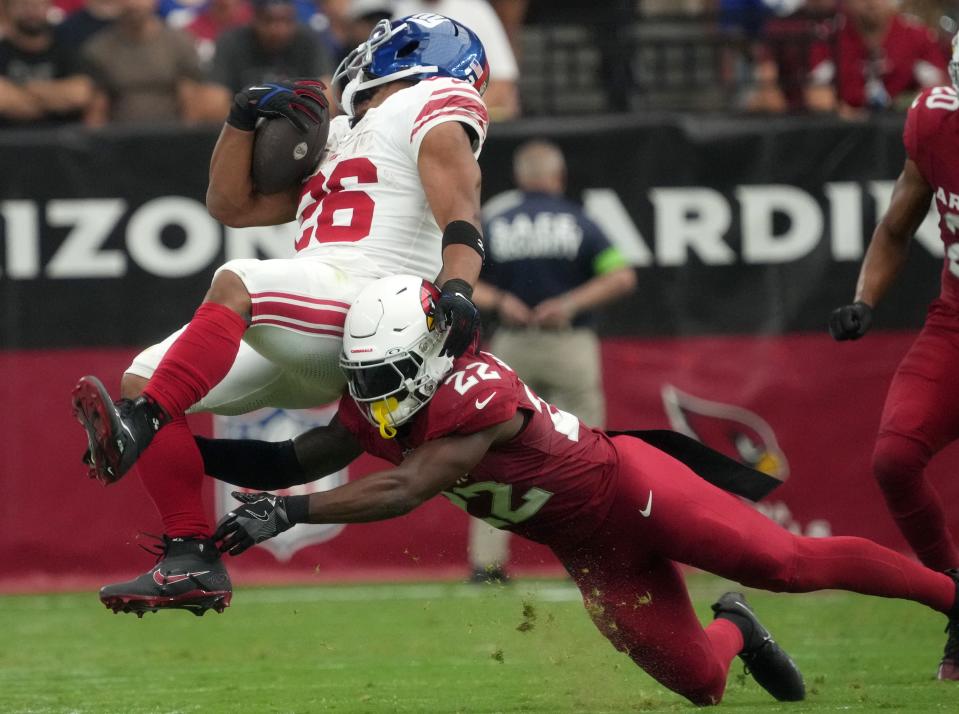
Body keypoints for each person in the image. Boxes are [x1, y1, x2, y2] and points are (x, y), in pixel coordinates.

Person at [196, 274, 959, 705]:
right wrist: (182, 448)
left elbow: (409, 486)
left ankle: (951, 598)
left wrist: (284, 515)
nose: (373, 394)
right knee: (701, 683)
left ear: (428, 353)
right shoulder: (382, 398)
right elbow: (295, 455)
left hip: (634, 491)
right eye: (364, 379)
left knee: (788, 564)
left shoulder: (475, 390)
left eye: (386, 375)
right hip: (589, 549)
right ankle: (737, 626)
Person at [72, 14, 491, 616]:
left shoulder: (433, 96)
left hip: (370, 300)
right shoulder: (343, 132)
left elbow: (461, 202)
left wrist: (458, 287)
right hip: (311, 312)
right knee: (144, 374)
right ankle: (189, 557)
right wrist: (242, 117)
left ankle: (139, 426)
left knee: (239, 280)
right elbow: (231, 204)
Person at [828, 33, 959, 681]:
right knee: (894, 456)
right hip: (955, 324)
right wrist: (864, 299)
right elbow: (896, 224)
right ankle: (958, 597)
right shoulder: (934, 121)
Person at [467, 139, 635, 581]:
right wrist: (569, 302)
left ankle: (487, 563)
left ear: (521, 179)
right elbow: (621, 275)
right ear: (558, 178)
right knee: (587, 454)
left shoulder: (496, 221)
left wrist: (502, 300)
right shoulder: (579, 221)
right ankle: (587, 555)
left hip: (511, 345)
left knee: (493, 450)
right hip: (569, 342)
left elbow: (459, 278)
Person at [81, 0, 227, 125]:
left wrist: (187, 140)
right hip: (119, 138)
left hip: (170, 134)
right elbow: (97, 107)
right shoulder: (99, 48)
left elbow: (191, 98)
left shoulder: (179, 42)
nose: (134, 4)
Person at [806, 0, 947, 116]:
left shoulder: (918, 36)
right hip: (846, 135)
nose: (871, 3)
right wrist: (850, 116)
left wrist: (908, 107)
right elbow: (816, 95)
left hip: (902, 130)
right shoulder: (829, 37)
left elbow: (938, 91)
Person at [392, 0, 519, 118]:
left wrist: (457, 114)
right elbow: (388, 86)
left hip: (472, 122)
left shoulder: (475, 9)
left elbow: (503, 83)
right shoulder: (401, 13)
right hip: (413, 123)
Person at [208, 0, 334, 94]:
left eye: (286, 21)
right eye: (269, 21)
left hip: (299, 123)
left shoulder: (309, 41)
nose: (278, 30)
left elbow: (326, 90)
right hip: (245, 122)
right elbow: (216, 95)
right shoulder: (231, 42)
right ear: (255, 19)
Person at [0, 0, 93, 126]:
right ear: (7, 11)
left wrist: (22, 90)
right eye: (23, 5)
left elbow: (79, 95)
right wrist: (54, 98)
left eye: (37, 5)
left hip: (62, 140)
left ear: (49, 7)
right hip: (8, 140)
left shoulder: (66, 50)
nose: (31, 12)